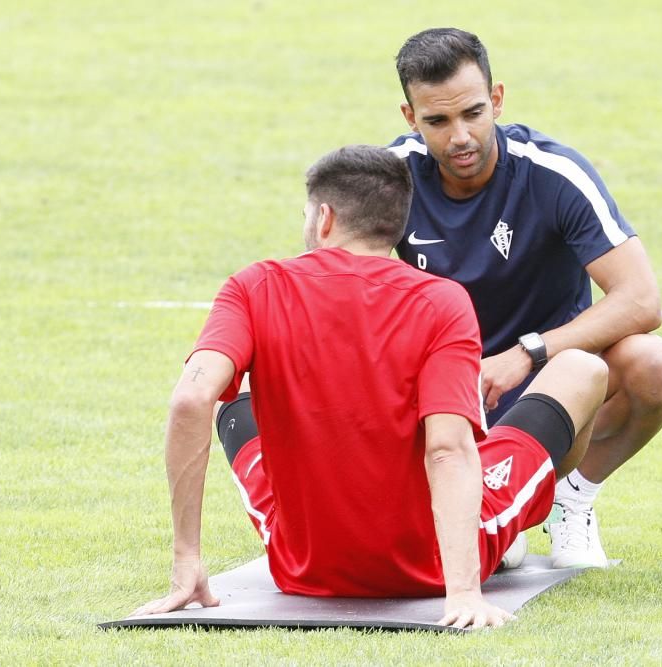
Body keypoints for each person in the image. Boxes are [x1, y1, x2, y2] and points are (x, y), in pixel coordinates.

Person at [132, 145, 608, 630]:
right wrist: (463, 592)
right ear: (396, 226)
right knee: (582, 369)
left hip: (304, 567)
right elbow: (446, 448)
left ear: (324, 218)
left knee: (230, 399)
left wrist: (186, 564)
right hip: (431, 570)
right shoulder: (442, 301)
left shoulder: (253, 286)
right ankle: (542, 516)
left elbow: (192, 397)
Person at [387, 28, 662, 569]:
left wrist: (528, 352)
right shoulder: (389, 176)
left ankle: (573, 497)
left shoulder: (553, 173)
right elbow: (334, 282)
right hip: (449, 390)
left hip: (554, 382)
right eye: (437, 121)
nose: (461, 136)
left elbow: (641, 300)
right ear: (410, 117)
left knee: (651, 364)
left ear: (496, 99)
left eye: (473, 112)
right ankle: (496, 507)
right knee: (499, 555)